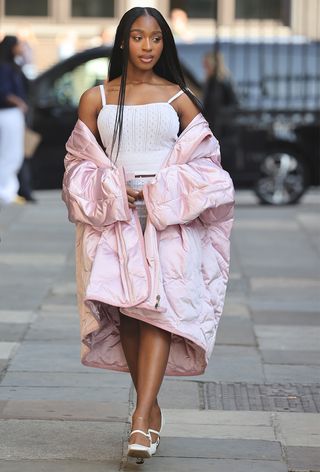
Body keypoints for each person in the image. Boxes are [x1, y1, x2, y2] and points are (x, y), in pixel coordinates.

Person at [62, 7, 234, 462]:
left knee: (157, 309)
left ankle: (140, 420)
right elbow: (78, 166)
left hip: (166, 221)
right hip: (117, 222)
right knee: (131, 315)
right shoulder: (95, 99)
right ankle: (150, 407)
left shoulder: (180, 98)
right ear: (123, 42)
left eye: (155, 39)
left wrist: (161, 190)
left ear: (165, 44)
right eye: (137, 37)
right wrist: (114, 189)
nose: (146, 47)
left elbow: (208, 166)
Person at [0, 35, 28, 205]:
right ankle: (6, 192)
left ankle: (9, 190)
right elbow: (4, 92)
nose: (22, 48)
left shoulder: (12, 65)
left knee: (11, 154)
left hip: (11, 114)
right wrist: (19, 102)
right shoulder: (5, 67)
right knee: (10, 154)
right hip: (9, 114)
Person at [203, 50, 238, 140]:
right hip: (212, 126)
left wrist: (219, 113)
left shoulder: (224, 82)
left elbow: (235, 105)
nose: (204, 68)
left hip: (223, 129)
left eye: (207, 65)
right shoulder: (209, 82)